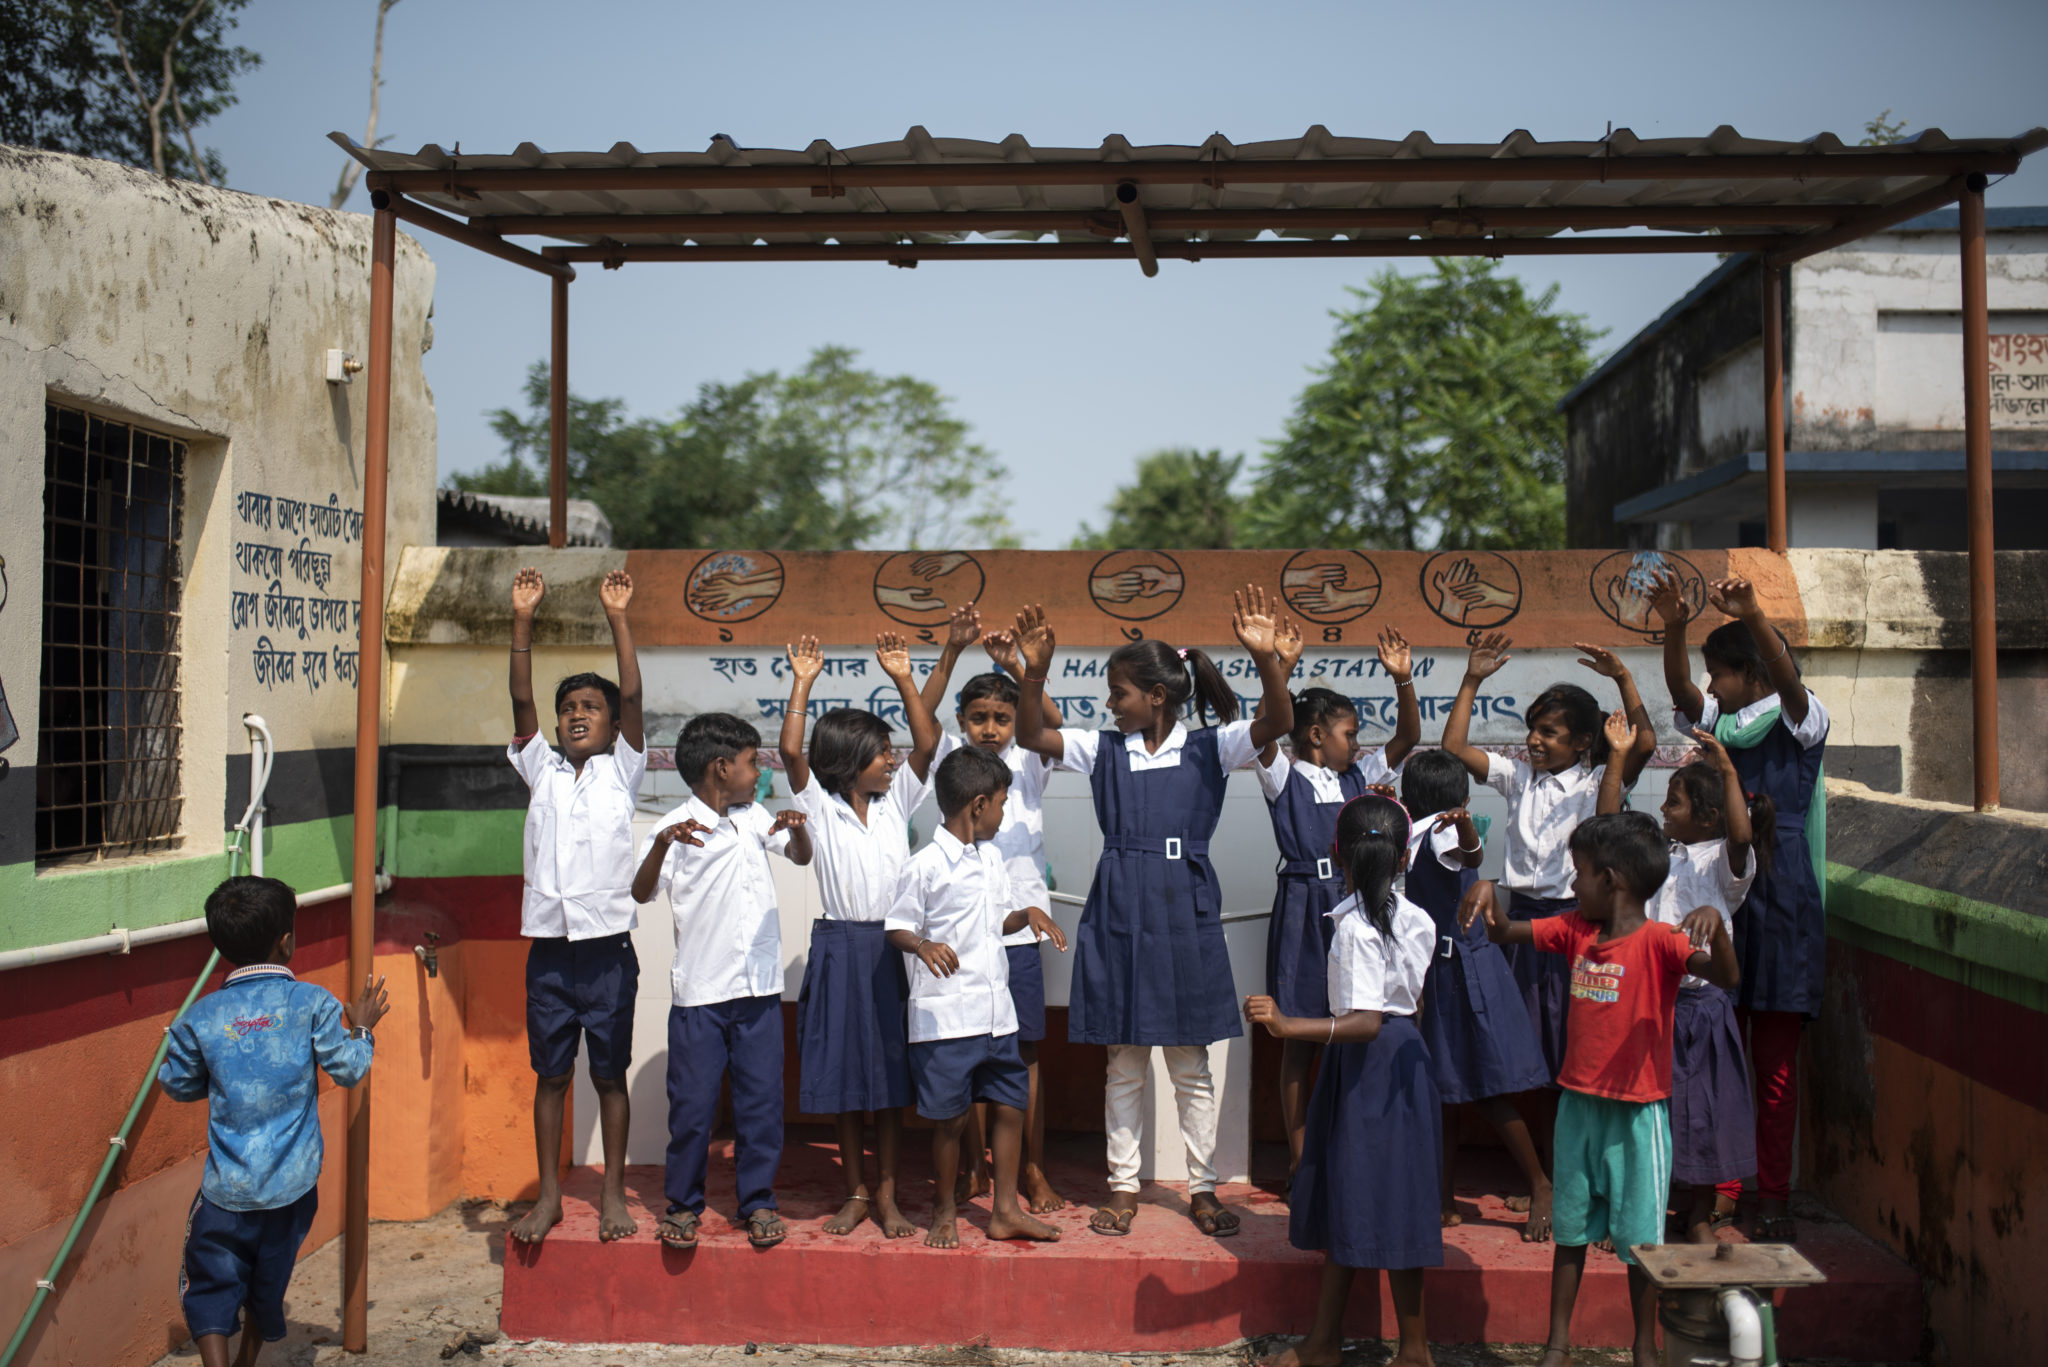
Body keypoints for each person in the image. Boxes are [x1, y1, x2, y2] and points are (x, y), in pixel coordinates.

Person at [1011, 585, 1295, 1239]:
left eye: (1119, 692)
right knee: (1125, 1059)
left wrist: (1266, 660)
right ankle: (1122, 1187)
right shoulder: (1102, 748)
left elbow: (1277, 721)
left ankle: (1200, 1188)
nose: (1111, 704)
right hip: (1120, 906)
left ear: (1158, 695)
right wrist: (1033, 671)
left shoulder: (1211, 747)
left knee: (1191, 1061)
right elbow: (1031, 731)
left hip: (1185, 909)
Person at [1462, 812, 1740, 1367]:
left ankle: (1643, 1347)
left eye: (1580, 873)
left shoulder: (1662, 941)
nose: (1572, 884)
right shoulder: (1574, 931)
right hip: (1578, 1109)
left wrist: (1718, 924)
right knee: (1570, 1233)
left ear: (1609, 880)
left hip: (1639, 1118)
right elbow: (1501, 932)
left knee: (1641, 1243)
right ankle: (1557, 1344)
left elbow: (1727, 977)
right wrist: (1488, 892)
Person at [1649, 567, 1821, 1243]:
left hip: (1779, 901)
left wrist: (1753, 616)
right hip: (1714, 896)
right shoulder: (1723, 725)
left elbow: (1787, 679)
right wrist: (1673, 627)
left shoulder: (1802, 717)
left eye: (1720, 673)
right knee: (1711, 1054)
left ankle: (1771, 1191)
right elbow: (1680, 692)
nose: (1711, 685)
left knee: (1774, 1065)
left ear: (1752, 671)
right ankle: (1718, 1189)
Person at [1245, 794, 1442, 1367]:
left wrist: (1287, 1025)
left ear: (1337, 856)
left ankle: (1344, 1344)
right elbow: (1413, 1006)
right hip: (1405, 1063)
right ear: (1405, 857)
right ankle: (1389, 1346)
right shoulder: (1419, 919)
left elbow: (1364, 1021)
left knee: (1353, 1195)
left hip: (1366, 1066)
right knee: (1376, 1199)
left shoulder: (1354, 927)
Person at [159, 877, 389, 1367]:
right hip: (292, 1190)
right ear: (286, 941)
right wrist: (363, 1027)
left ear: (220, 945)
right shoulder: (313, 1003)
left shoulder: (200, 1017)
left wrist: (220, 1078)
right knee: (269, 1283)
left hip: (227, 1191)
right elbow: (349, 1068)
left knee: (211, 1285)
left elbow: (176, 1083)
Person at [780, 630, 941, 1239]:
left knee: (891, 1081)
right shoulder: (818, 807)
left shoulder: (898, 801)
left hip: (895, 949)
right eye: (881, 752)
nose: (894, 759)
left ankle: (890, 1196)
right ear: (850, 759)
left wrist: (904, 676)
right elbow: (792, 751)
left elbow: (927, 740)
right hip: (841, 946)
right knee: (849, 1080)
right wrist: (803, 681)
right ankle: (854, 1193)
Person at [1440, 632, 1656, 1086]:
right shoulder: (1518, 777)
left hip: (1573, 923)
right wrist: (1471, 680)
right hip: (1519, 926)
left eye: (1548, 733)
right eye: (1532, 729)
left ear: (1581, 741)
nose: (1534, 741)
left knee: (1571, 1041)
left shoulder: (1597, 780)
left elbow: (1646, 744)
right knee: (1527, 1050)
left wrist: (1622, 677)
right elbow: (1455, 748)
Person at [632, 713, 813, 1250]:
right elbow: (642, 893)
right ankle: (683, 1205)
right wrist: (663, 845)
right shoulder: (677, 828)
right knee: (692, 1108)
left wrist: (798, 830)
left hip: (757, 992)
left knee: (761, 1105)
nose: (758, 773)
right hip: (700, 996)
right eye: (752, 762)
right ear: (720, 767)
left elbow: (801, 858)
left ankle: (757, 1202)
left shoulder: (755, 818)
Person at [1254, 618, 1420, 1191]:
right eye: (1349, 732)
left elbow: (1406, 740)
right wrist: (1282, 666)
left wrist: (1403, 681)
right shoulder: (1283, 774)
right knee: (1300, 1034)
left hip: (1356, 905)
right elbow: (1265, 728)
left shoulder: (1358, 778)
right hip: (1303, 907)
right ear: (1317, 734)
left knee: (1353, 1021)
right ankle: (1300, 1157)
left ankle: (1348, 1148)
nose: (1358, 742)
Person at [505, 567, 645, 1245]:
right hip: (551, 954)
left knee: (609, 1074)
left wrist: (617, 615)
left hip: (609, 951)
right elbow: (521, 700)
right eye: (569, 709)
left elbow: (636, 691)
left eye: (591, 706)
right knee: (551, 1075)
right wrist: (523, 619)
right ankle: (551, 1196)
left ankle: (613, 1193)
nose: (577, 714)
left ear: (614, 723)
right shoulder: (542, 768)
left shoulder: (624, 766)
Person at [884, 745, 1070, 1248]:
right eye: (1004, 804)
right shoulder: (923, 866)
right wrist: (923, 945)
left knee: (1010, 1106)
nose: (1006, 814)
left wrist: (1028, 914)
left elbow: (997, 920)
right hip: (947, 1021)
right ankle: (944, 1209)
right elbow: (897, 926)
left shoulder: (992, 859)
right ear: (980, 805)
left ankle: (1005, 1210)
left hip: (996, 1016)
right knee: (950, 1120)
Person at [919, 604, 1069, 1213]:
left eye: (1001, 718)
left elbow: (1051, 721)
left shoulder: (1029, 760)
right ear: (962, 721)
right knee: (965, 1049)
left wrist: (1025, 670)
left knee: (1024, 1051)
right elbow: (921, 715)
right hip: (959, 934)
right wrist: (952, 652)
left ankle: (1031, 1168)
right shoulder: (952, 759)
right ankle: (977, 1169)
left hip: (1019, 933)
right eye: (979, 717)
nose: (991, 729)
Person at [1400, 747, 1554, 1240]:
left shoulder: (1445, 833)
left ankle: (1541, 1185)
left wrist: (1466, 829)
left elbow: (1470, 854)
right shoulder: (1416, 833)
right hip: (1439, 972)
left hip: (1465, 974)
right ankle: (1442, 1198)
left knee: (1485, 1090)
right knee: (1443, 1089)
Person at [1638, 725, 1773, 1244]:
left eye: (1675, 803)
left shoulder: (1724, 864)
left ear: (1709, 817)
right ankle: (1651, 1205)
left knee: (1703, 1112)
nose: (1666, 811)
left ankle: (1698, 1214)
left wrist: (1728, 770)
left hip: (1703, 1004)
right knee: (1659, 1108)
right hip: (1659, 1002)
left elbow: (1741, 835)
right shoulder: (1662, 856)